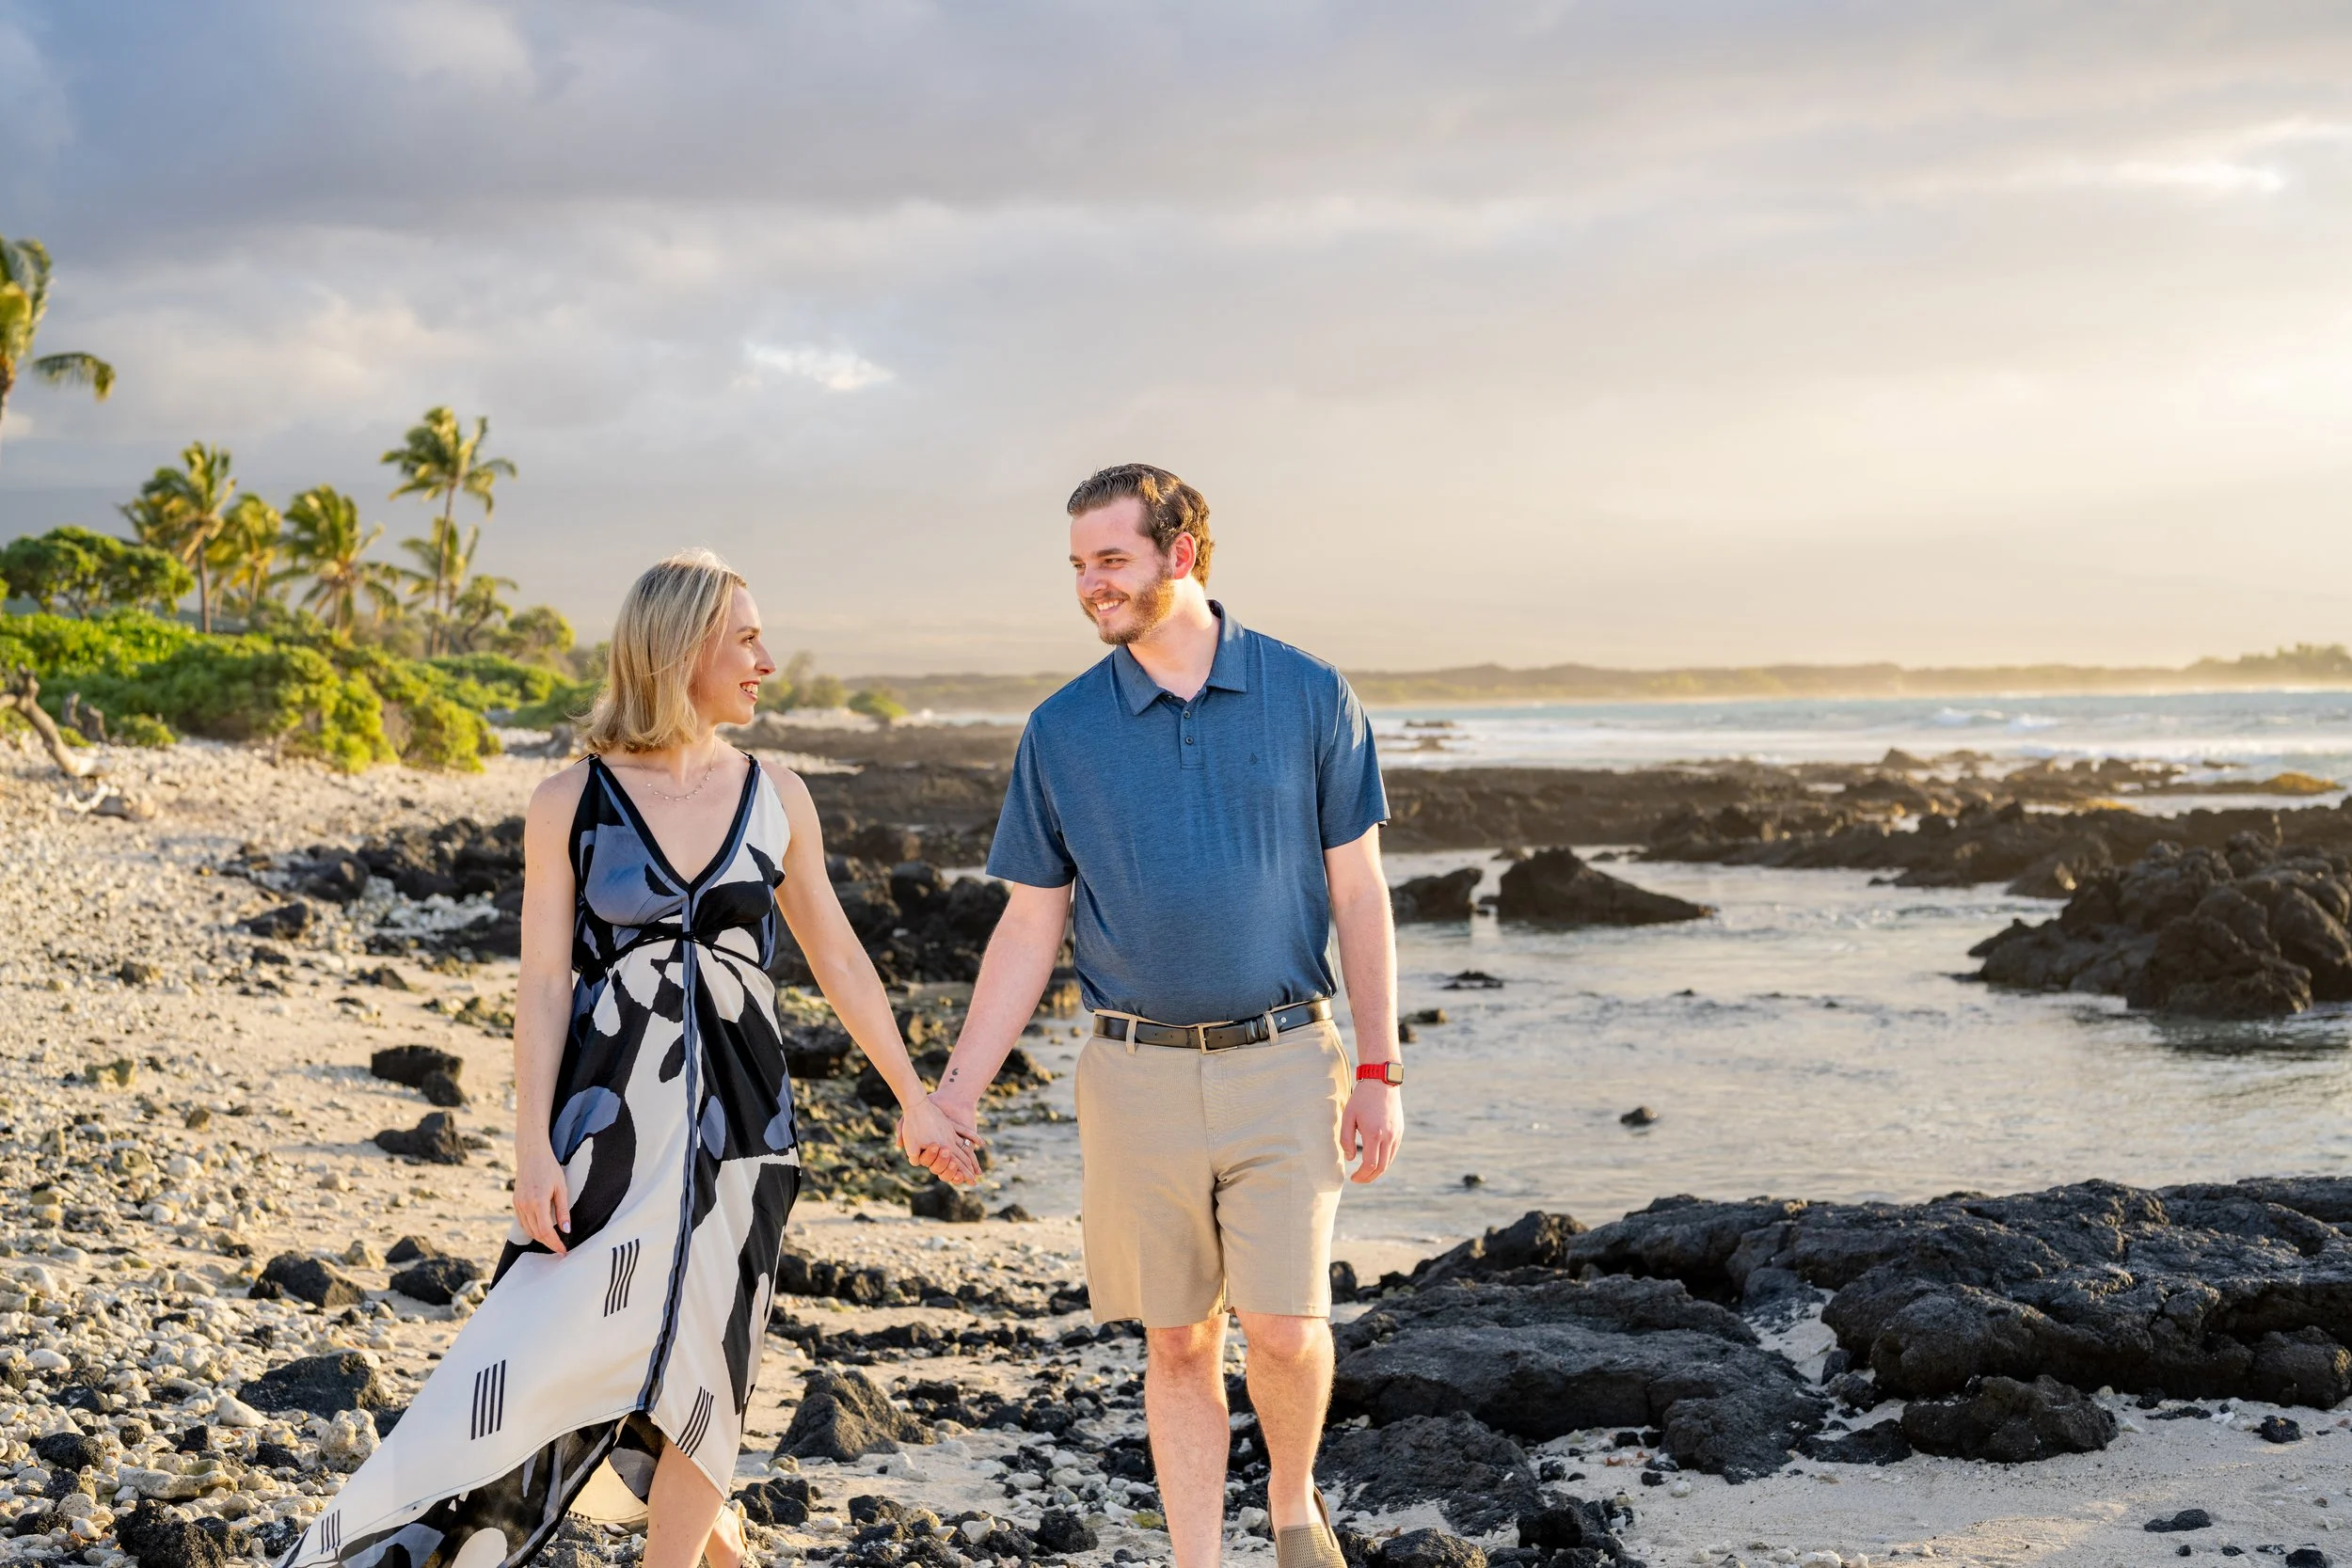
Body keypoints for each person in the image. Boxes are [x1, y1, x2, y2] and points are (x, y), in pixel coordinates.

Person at [284, 550, 976, 1568]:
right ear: (680, 647)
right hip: (604, 1128)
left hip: (742, 1128)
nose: (767, 660)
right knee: (528, 1345)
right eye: (745, 638)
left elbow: (837, 954)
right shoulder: (571, 799)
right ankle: (390, 1542)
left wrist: (914, 1094)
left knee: (709, 1359)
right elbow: (543, 984)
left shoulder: (777, 792)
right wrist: (529, 1147)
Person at [918, 465, 1404, 1568]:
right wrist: (957, 1090)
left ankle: (1290, 1501)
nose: (1090, 586)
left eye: (1111, 560)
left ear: (1179, 554)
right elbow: (1029, 927)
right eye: (1079, 566)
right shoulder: (1062, 729)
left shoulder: (1309, 693)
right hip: (1132, 1072)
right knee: (1179, 1337)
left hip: (1287, 1059)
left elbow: (1359, 891)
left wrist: (1380, 1069)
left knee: (1284, 1328)